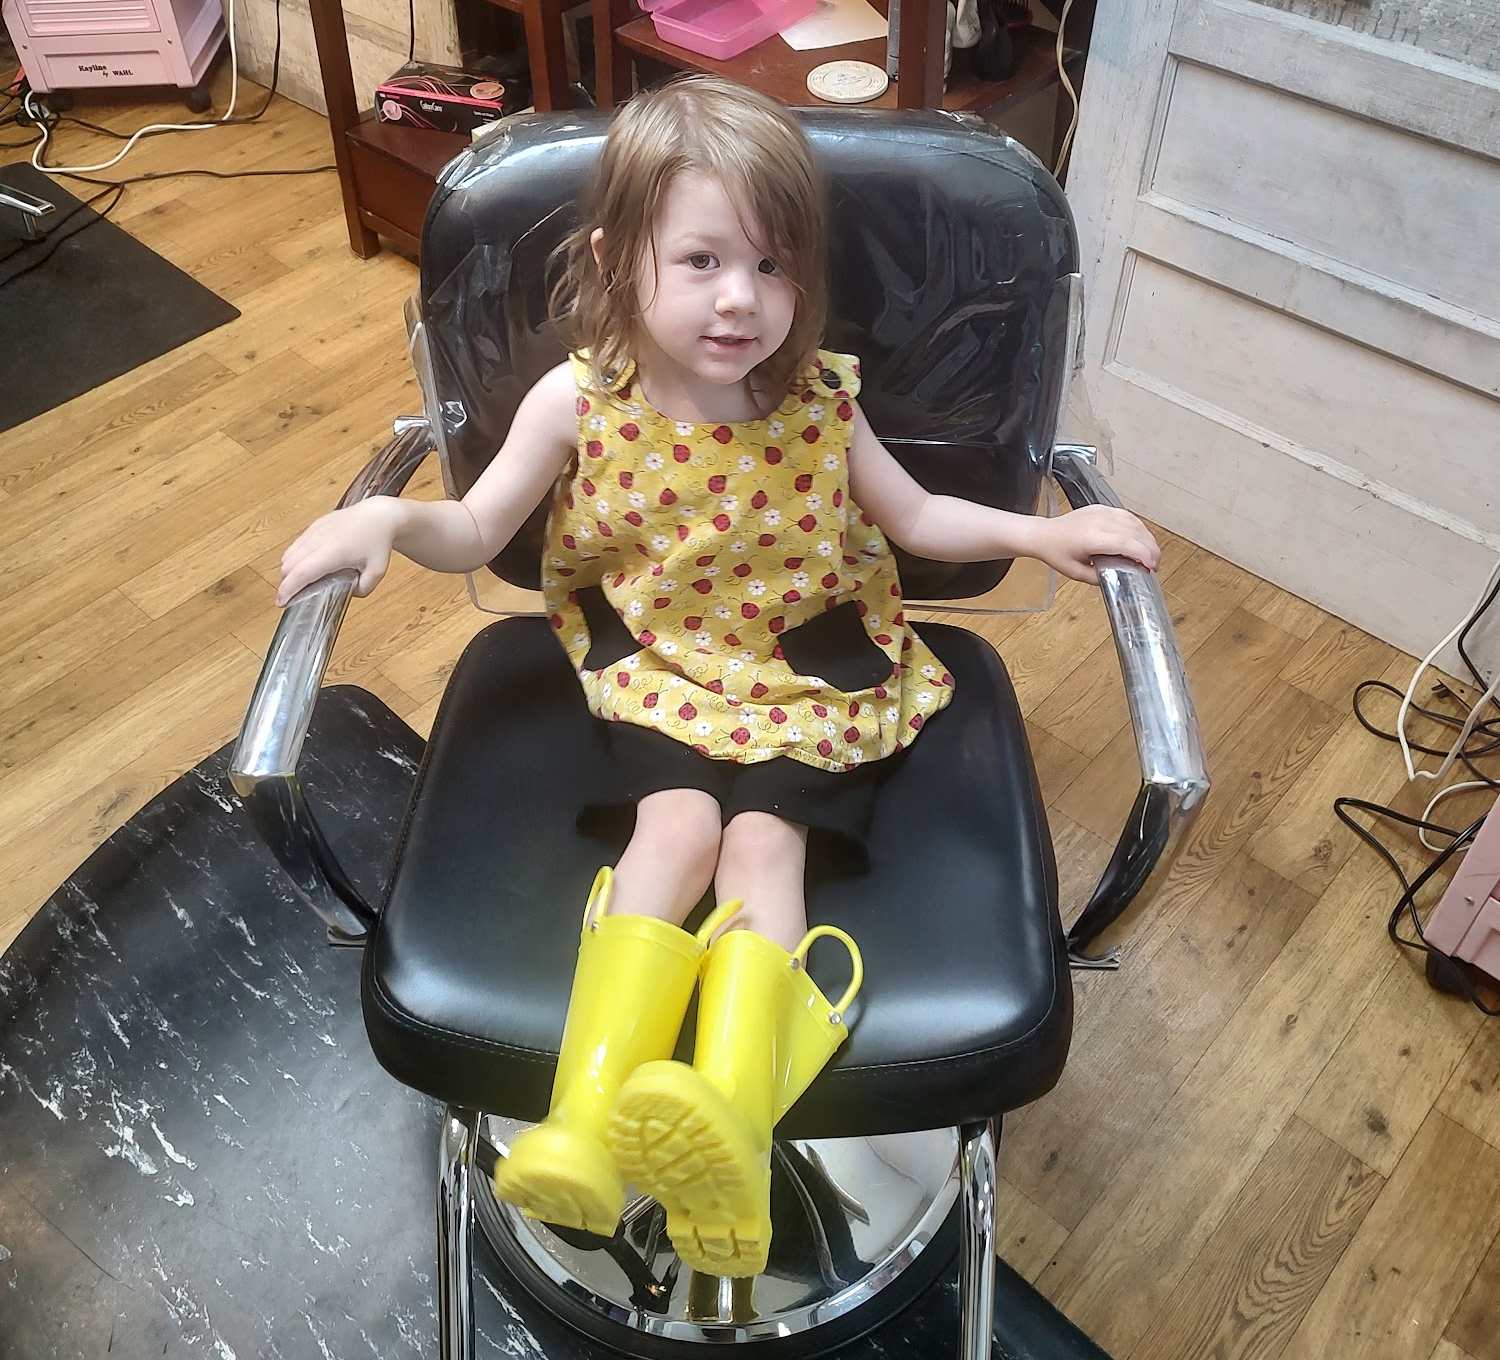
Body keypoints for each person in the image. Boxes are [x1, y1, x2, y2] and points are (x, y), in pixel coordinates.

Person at [277, 76, 1159, 1279]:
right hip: (660, 667)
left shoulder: (819, 402)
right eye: (701, 260)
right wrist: (387, 518)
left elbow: (916, 517)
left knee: (763, 847)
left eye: (772, 264)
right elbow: (477, 526)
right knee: (676, 827)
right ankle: (586, 1119)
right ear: (617, 257)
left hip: (809, 674)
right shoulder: (579, 400)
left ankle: (733, 1124)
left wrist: (1044, 534)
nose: (742, 296)